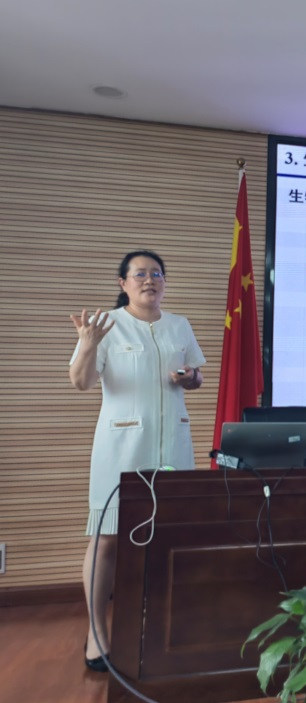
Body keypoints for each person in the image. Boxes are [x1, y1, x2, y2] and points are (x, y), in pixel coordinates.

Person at [69, 250, 206, 673]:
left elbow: (198, 377)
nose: (150, 280)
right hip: (121, 448)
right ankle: (97, 634)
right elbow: (80, 382)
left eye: (157, 273)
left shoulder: (179, 325)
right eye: (140, 274)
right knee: (107, 539)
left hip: (173, 447)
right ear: (123, 283)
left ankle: (160, 629)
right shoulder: (105, 326)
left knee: (167, 538)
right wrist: (87, 344)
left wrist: (190, 377)